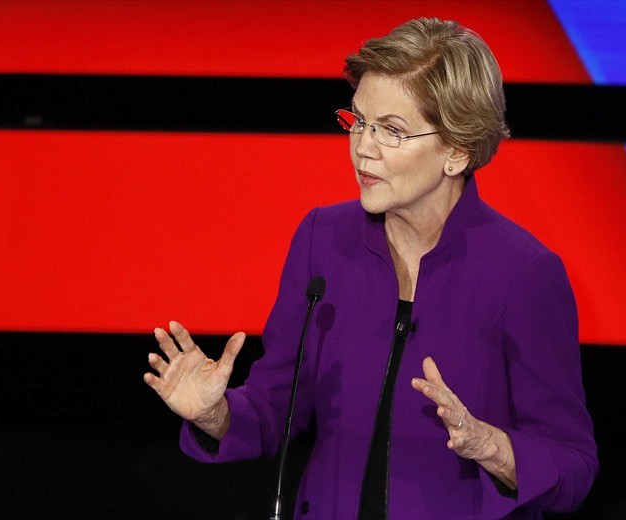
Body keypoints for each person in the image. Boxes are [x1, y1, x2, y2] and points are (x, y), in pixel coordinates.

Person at [144, 17, 598, 519]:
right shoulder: (323, 240)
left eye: (392, 130)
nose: (363, 146)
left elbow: (572, 466)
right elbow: (277, 409)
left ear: (456, 152)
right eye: (359, 120)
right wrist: (217, 414)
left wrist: (491, 447)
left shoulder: (524, 274)